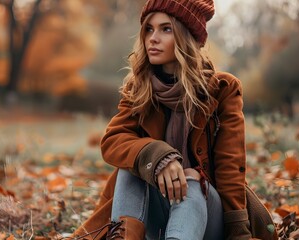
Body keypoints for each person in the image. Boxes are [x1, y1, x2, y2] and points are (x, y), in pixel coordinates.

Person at [72, 0, 252, 239]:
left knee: (191, 182)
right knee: (133, 166)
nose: (152, 38)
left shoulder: (221, 89)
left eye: (165, 29)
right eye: (149, 28)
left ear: (186, 36)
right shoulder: (139, 88)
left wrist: (239, 232)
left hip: (207, 217)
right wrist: (158, 157)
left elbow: (230, 169)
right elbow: (113, 140)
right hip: (157, 216)